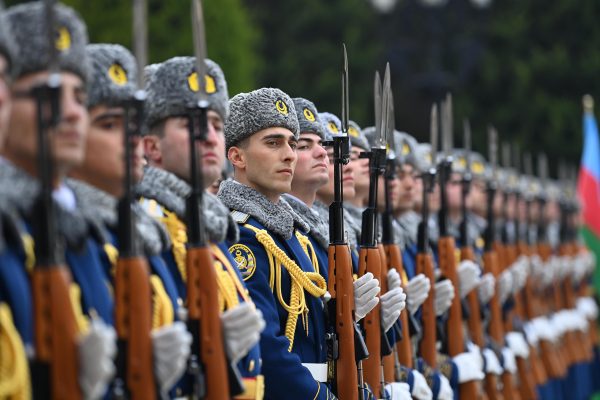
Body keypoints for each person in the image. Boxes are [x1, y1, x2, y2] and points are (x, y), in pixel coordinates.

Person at [0, 3, 116, 398]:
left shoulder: (89, 230)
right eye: (46, 95)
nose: (69, 113)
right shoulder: (11, 226)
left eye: (80, 97)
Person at [137, 56, 265, 399]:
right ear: (152, 147)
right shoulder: (151, 226)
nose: (209, 138)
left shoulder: (210, 225)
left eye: (215, 124)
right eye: (189, 123)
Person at [67, 43, 192, 395]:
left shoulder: (142, 232)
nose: (131, 139)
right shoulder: (64, 232)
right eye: (110, 124)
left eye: (135, 125)